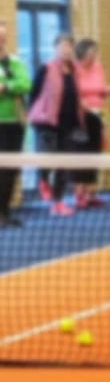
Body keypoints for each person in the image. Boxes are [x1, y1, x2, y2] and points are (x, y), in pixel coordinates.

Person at [29, 34, 85, 217]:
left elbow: (76, 96)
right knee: (47, 159)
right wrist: (35, 114)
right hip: (47, 122)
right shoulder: (46, 69)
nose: (66, 49)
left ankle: (58, 202)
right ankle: (43, 180)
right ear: (55, 48)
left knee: (63, 165)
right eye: (62, 46)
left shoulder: (75, 70)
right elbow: (34, 93)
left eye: (69, 46)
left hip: (68, 124)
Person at [73, 38, 110, 209]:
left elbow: (101, 91)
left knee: (95, 154)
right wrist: (83, 105)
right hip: (80, 119)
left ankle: (92, 194)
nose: (93, 56)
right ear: (82, 53)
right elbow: (72, 94)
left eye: (95, 53)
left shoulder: (98, 68)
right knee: (81, 156)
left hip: (98, 116)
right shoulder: (74, 70)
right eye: (91, 53)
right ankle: (79, 195)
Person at [0, 20, 31, 228]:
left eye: (3, 38)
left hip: (14, 125)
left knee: (10, 170)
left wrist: (6, 86)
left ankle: (4, 211)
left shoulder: (15, 62)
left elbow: (26, 84)